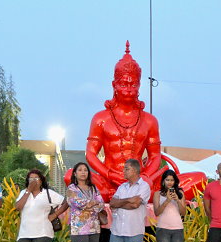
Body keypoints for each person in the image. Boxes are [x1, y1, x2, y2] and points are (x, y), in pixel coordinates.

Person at [71, 41, 206, 202]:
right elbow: (91, 154)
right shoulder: (101, 118)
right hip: (108, 181)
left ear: (139, 86)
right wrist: (110, 175)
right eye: (123, 84)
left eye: (133, 84)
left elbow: (155, 156)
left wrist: (146, 177)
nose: (128, 89)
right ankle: (126, 195)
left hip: (142, 181)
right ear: (114, 85)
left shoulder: (149, 120)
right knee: (70, 176)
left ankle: (120, 197)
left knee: (200, 177)